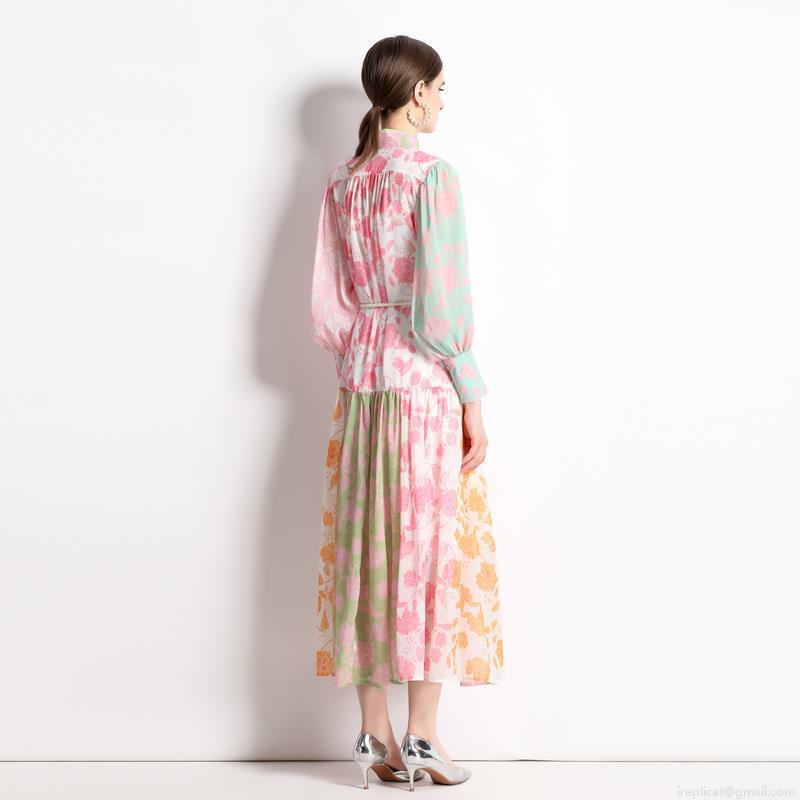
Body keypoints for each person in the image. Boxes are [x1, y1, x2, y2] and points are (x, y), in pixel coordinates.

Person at [310, 34, 505, 790]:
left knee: (366, 553)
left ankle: (374, 735)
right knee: (426, 553)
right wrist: (471, 393)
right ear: (417, 92)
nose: (444, 101)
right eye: (441, 88)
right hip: (422, 383)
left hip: (361, 383)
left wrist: (365, 350)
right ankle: (423, 735)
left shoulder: (342, 181)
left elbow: (330, 305)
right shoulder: (430, 176)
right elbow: (442, 301)